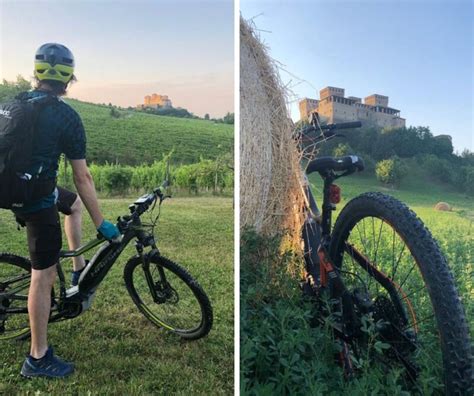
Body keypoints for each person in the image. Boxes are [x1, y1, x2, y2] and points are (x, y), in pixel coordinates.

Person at [14, 43, 120, 378]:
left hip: (11, 187)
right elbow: (83, 175)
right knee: (42, 275)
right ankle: (38, 357)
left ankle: (78, 268)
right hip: (35, 198)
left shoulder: (16, 102)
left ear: (36, 73)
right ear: (69, 79)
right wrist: (102, 223)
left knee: (72, 204)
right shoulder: (66, 117)